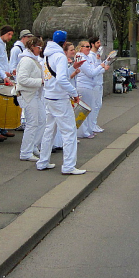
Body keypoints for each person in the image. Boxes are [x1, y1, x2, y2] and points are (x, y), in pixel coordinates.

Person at [38, 30, 86, 174]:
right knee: (69, 132)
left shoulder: (48, 55)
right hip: (59, 98)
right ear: (64, 43)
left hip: (49, 96)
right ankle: (69, 166)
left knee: (49, 130)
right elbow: (61, 79)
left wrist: (73, 67)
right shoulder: (60, 56)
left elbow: (55, 75)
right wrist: (74, 93)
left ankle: (43, 161)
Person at [14, 36, 46, 162]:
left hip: (34, 94)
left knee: (42, 120)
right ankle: (25, 152)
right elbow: (22, 79)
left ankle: (33, 146)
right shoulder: (27, 60)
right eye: (39, 47)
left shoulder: (33, 59)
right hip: (27, 95)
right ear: (32, 47)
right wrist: (41, 81)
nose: (40, 50)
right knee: (32, 123)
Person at [76, 39, 108, 138]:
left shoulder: (86, 57)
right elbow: (91, 73)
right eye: (86, 47)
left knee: (89, 108)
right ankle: (83, 132)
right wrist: (101, 67)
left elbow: (94, 70)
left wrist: (100, 65)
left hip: (89, 85)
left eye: (89, 46)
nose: (88, 48)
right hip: (83, 86)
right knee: (84, 110)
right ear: (81, 48)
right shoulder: (81, 58)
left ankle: (88, 130)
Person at [0, 25, 16, 138]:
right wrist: (2, 73)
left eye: (11, 35)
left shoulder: (3, 44)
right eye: (9, 34)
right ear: (3, 33)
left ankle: (3, 129)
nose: (10, 37)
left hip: (4, 75)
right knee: (0, 105)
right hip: (0, 77)